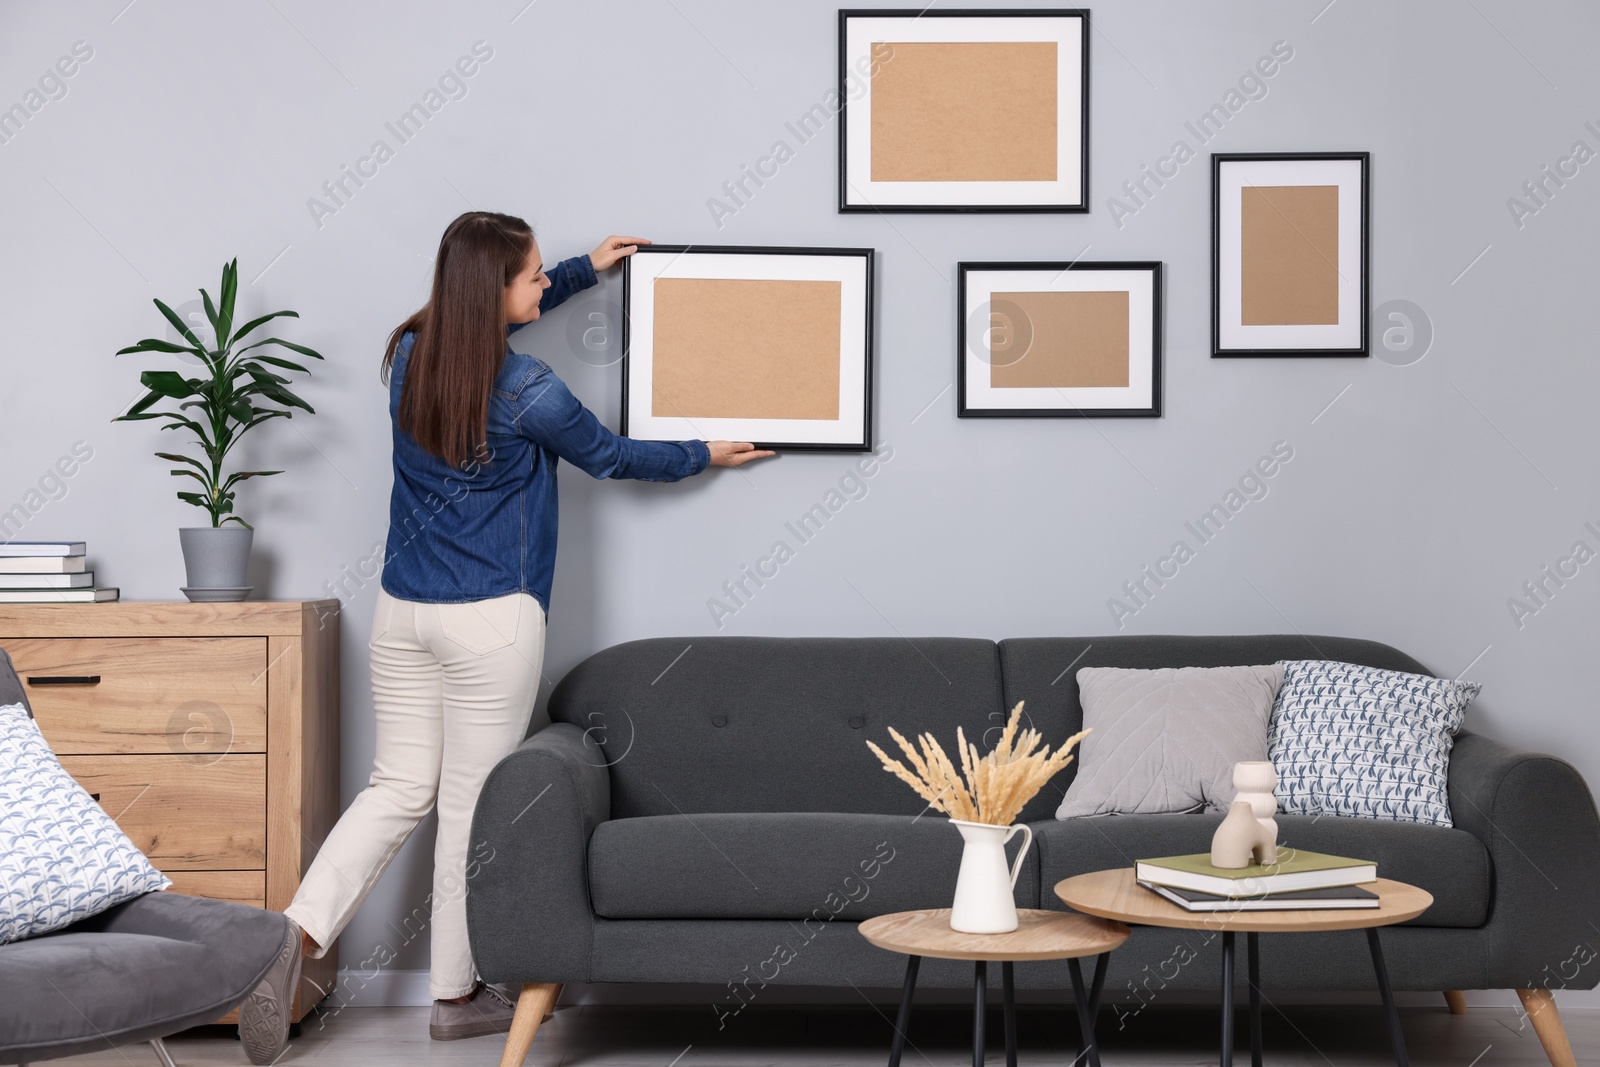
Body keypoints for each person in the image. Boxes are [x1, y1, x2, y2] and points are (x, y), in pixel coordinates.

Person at [238, 211, 773, 1062]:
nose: (539, 287)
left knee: (393, 790)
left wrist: (577, 270)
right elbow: (611, 457)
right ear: (494, 290)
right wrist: (704, 452)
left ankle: (290, 939)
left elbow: (488, 309)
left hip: (403, 614)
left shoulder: (407, 356)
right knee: (467, 809)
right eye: (530, 278)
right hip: (492, 622)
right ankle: (453, 996)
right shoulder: (533, 392)